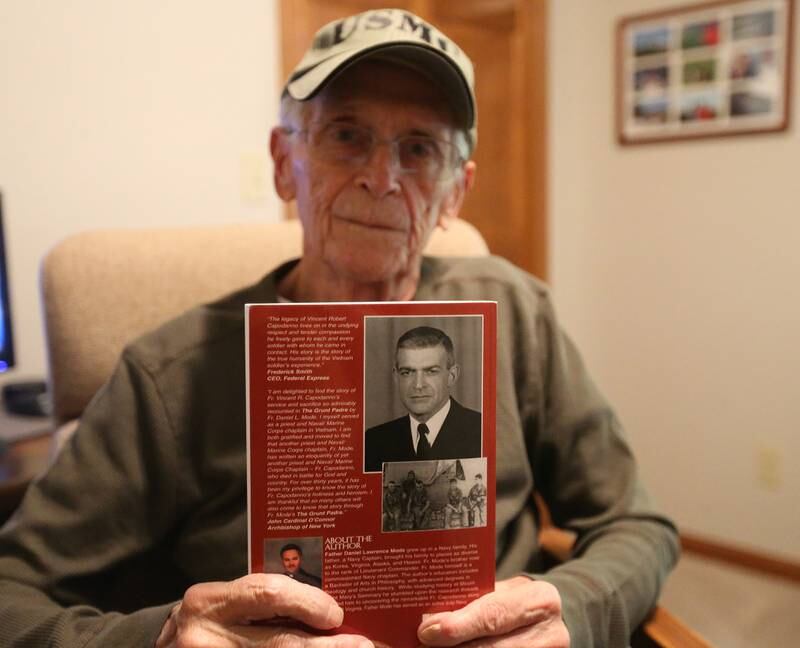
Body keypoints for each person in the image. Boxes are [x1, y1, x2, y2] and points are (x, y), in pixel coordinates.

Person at [0, 8, 679, 648]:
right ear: (282, 163)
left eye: (419, 149)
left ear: (455, 192)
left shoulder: (517, 313)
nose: (381, 179)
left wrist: (573, 608)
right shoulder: (171, 372)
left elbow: (637, 524)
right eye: (347, 135)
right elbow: (12, 592)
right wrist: (160, 634)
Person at [364, 326, 481, 472]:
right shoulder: (374, 442)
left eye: (431, 372)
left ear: (452, 376)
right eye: (407, 372)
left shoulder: (481, 431)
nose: (418, 385)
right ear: (396, 377)